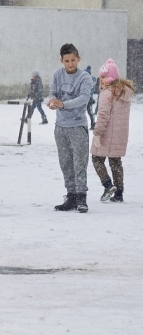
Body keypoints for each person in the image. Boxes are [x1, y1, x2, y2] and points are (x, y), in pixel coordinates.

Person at [48, 43, 92, 213]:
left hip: (77, 126)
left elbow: (83, 98)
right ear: (62, 61)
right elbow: (53, 93)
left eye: (73, 60)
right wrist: (52, 101)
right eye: (67, 61)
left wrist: (63, 104)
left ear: (78, 59)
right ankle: (71, 195)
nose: (70, 63)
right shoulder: (57, 75)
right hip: (61, 126)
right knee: (65, 163)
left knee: (79, 163)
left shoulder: (85, 77)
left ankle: (82, 197)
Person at [90, 59, 133, 203]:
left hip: (107, 134)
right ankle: (119, 193)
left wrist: (97, 132)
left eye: (102, 77)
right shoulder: (124, 92)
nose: (100, 80)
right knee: (116, 162)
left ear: (110, 78)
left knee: (96, 159)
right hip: (121, 133)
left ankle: (108, 185)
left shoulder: (107, 93)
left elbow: (103, 115)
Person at [85, 65, 97, 130]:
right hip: (87, 99)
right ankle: (92, 124)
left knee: (90, 112)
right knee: (90, 112)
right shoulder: (91, 80)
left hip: (88, 99)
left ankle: (93, 124)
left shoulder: (89, 81)